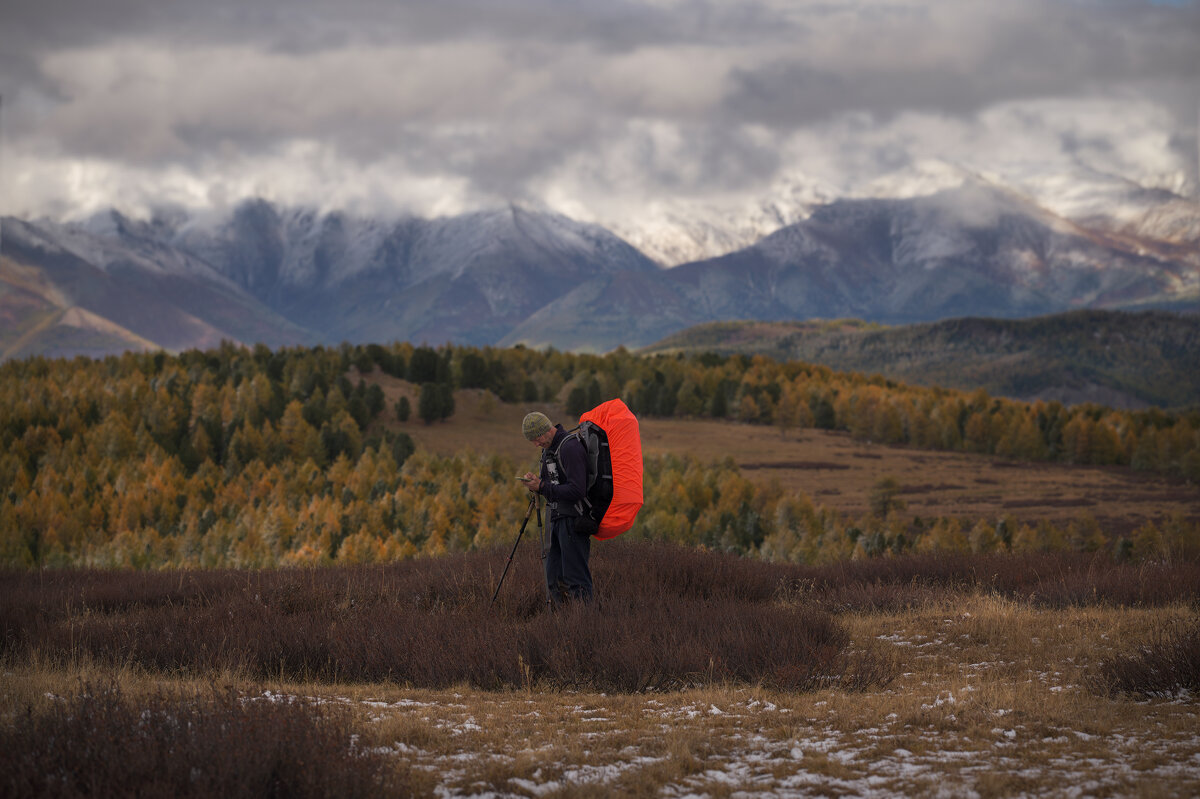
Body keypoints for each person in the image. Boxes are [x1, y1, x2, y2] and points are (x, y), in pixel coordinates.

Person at [518, 411, 593, 604]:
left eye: (537, 439)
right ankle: (561, 627)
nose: (536, 444)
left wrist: (542, 486)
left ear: (545, 431)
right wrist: (537, 483)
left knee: (576, 580)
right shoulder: (548, 450)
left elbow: (578, 490)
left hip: (574, 521)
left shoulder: (570, 448)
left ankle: (587, 627)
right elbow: (551, 485)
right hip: (557, 519)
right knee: (554, 579)